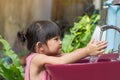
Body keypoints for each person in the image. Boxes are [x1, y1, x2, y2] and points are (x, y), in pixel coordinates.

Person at [17, 20, 107, 80]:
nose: (60, 42)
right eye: (56, 39)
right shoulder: (36, 58)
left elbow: (70, 55)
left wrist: (88, 49)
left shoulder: (48, 56)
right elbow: (61, 61)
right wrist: (87, 51)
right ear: (40, 46)